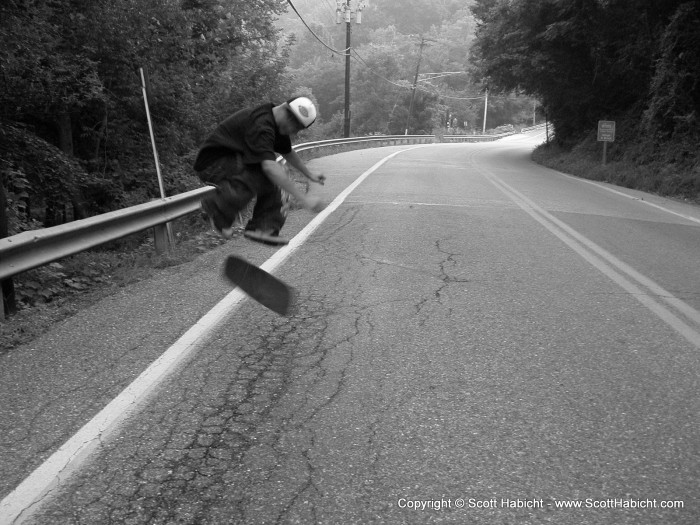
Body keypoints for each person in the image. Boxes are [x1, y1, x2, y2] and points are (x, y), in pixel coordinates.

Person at [194, 96, 327, 245]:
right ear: (285, 111)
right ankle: (216, 209)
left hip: (232, 161)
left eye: (299, 129)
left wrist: (309, 174)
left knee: (278, 173)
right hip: (213, 163)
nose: (294, 132)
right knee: (265, 173)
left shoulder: (277, 124)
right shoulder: (262, 126)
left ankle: (263, 228)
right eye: (296, 128)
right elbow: (269, 168)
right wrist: (304, 199)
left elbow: (288, 152)